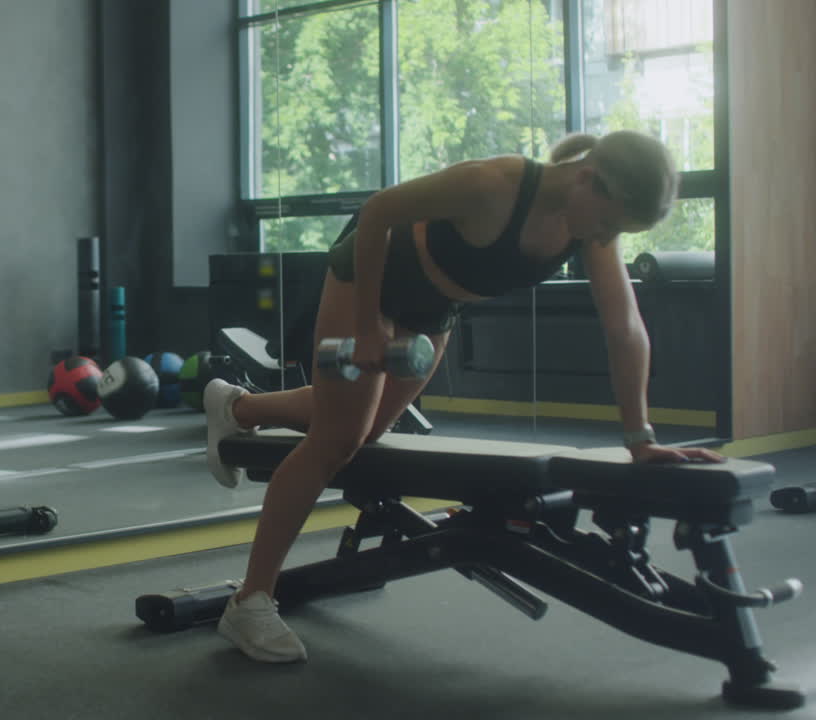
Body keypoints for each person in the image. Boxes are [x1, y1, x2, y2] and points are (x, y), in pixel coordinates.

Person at [202, 130, 726, 664]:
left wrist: (641, 440)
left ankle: (235, 407)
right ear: (588, 178)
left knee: (369, 429)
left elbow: (625, 327)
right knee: (337, 440)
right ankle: (250, 601)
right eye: (610, 222)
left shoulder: (588, 223)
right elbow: (380, 212)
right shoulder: (493, 185)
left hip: (434, 311)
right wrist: (365, 329)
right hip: (369, 282)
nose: (608, 235)